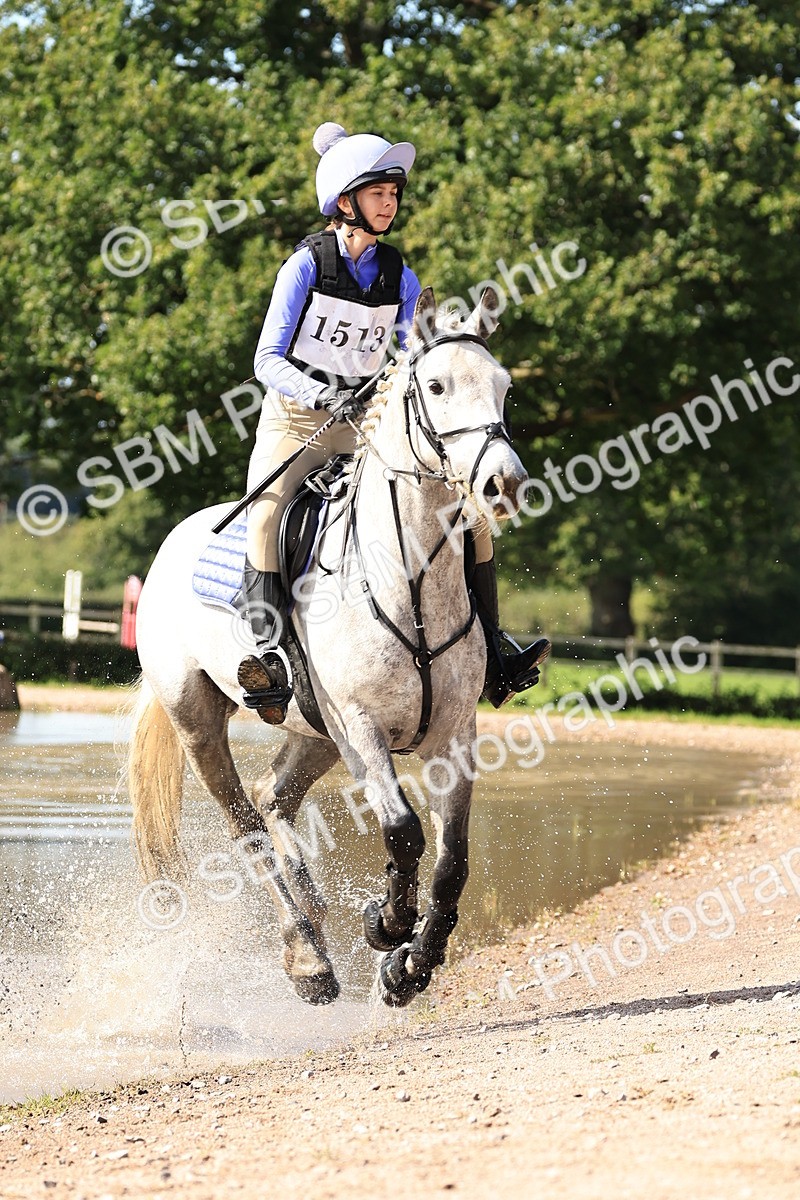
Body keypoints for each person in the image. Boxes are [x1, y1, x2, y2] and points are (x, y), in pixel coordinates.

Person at [238, 122, 549, 723]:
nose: (392, 202)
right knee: (268, 510)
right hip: (297, 419)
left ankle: (494, 652)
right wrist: (328, 395)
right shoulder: (302, 268)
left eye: (395, 193)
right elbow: (265, 360)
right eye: (380, 192)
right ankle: (269, 657)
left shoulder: (398, 276)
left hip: (369, 421)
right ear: (346, 201)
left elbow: (412, 354)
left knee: (471, 517)